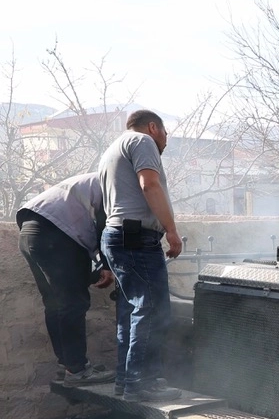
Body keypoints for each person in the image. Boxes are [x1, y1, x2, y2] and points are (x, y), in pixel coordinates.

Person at [98, 110, 184, 403]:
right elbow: (149, 184)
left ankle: (126, 380)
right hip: (136, 239)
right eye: (166, 133)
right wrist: (171, 230)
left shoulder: (112, 149)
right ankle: (142, 383)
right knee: (152, 309)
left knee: (131, 311)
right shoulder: (142, 141)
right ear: (153, 127)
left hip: (118, 236)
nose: (165, 140)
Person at [16, 173, 116, 385]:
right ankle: (77, 370)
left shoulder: (93, 179)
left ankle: (68, 364)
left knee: (55, 303)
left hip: (30, 232)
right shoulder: (115, 181)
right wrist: (107, 266)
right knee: (73, 304)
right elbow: (105, 225)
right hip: (56, 234)